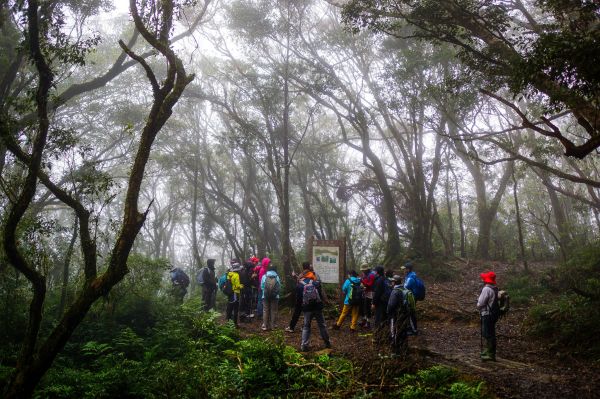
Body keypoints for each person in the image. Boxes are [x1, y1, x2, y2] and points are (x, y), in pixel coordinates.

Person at [300, 274, 331, 352]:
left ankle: (304, 345)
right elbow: (320, 294)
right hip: (317, 308)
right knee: (322, 325)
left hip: (307, 309)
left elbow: (299, 297)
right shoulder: (316, 283)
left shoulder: (300, 284)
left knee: (306, 326)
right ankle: (327, 343)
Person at [387, 275, 415, 355]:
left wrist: (389, 313)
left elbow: (391, 305)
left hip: (395, 315)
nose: (391, 282)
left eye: (392, 281)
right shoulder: (405, 289)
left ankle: (395, 351)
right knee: (403, 331)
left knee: (394, 332)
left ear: (394, 282)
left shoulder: (395, 291)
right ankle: (404, 349)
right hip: (405, 314)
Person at [285, 261, 316, 333]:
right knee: (307, 312)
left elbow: (299, 282)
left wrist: (294, 276)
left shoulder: (301, 275)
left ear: (303, 267)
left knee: (297, 311)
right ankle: (304, 327)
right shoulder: (313, 275)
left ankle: (291, 327)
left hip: (300, 295)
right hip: (309, 296)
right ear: (309, 267)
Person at [477, 271, 498, 361]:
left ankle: (490, 354)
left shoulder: (486, 289)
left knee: (487, 333)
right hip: (493, 314)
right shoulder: (494, 288)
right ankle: (489, 352)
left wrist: (478, 305)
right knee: (490, 333)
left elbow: (481, 303)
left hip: (487, 314)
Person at [261, 263, 281, 331]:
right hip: (275, 296)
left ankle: (265, 326)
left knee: (265, 310)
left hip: (265, 296)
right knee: (274, 311)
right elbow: (279, 287)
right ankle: (273, 326)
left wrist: (266, 291)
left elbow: (262, 287)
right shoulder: (277, 277)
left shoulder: (264, 276)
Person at [402, 261, 419, 334]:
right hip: (410, 296)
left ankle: (414, 330)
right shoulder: (409, 275)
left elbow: (406, 287)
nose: (403, 270)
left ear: (408, 269)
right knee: (409, 312)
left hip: (411, 297)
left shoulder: (411, 277)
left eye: (404, 269)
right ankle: (410, 328)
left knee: (411, 312)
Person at [225, 262, 244, 327]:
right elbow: (237, 285)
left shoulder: (229, 274)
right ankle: (235, 324)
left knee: (230, 307)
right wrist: (241, 286)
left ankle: (228, 322)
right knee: (235, 308)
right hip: (235, 293)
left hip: (230, 292)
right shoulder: (236, 275)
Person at [359, 263, 376, 329]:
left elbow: (370, 284)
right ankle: (365, 321)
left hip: (371, 293)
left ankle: (368, 323)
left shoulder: (371, 275)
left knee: (369, 308)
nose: (362, 271)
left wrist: (362, 282)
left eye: (364, 270)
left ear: (367, 269)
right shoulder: (365, 274)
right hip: (366, 292)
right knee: (365, 307)